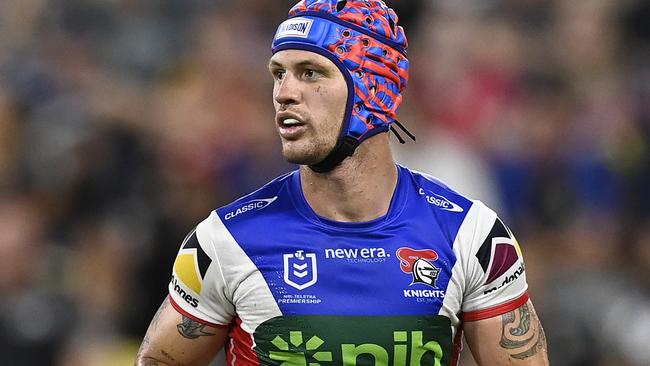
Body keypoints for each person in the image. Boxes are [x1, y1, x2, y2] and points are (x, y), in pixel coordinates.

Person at [135, 1, 550, 365]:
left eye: (311, 72)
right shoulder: (225, 239)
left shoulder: (471, 236)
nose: (284, 93)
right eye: (278, 74)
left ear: (374, 89)